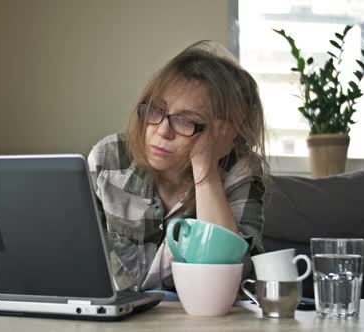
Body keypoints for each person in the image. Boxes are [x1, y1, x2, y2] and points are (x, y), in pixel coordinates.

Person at [87, 40, 269, 292]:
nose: (162, 130)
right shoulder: (109, 159)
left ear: (225, 134)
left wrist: (206, 170)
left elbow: (225, 280)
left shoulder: (241, 171)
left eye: (186, 121)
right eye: (156, 109)